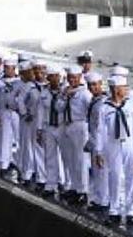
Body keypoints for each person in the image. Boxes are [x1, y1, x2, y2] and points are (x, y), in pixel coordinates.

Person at [97, 75, 133, 226]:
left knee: (131, 178)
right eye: (123, 87)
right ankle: (114, 210)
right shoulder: (104, 107)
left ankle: (130, 211)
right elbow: (100, 131)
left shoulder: (130, 104)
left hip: (129, 143)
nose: (126, 90)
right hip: (112, 144)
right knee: (114, 176)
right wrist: (99, 152)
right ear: (115, 89)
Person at [61, 66, 92, 204]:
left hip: (80, 125)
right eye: (70, 78)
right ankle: (74, 187)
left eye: (74, 77)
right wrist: (64, 96)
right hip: (67, 125)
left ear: (80, 77)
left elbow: (91, 112)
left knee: (81, 160)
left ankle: (83, 190)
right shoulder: (66, 91)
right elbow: (58, 108)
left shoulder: (85, 93)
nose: (72, 80)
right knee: (70, 159)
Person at [37, 64, 67, 196]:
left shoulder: (65, 91)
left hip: (62, 126)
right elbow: (40, 111)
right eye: (50, 77)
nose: (53, 79)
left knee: (66, 156)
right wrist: (39, 129)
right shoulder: (44, 92)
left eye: (55, 76)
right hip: (48, 126)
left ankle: (67, 183)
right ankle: (50, 184)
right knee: (49, 156)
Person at [85, 72, 110, 208]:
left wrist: (98, 144)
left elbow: (102, 127)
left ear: (101, 84)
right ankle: (99, 197)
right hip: (94, 139)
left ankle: (103, 200)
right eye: (90, 85)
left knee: (101, 171)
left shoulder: (103, 103)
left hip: (101, 141)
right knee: (96, 171)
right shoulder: (95, 100)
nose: (92, 88)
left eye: (95, 85)